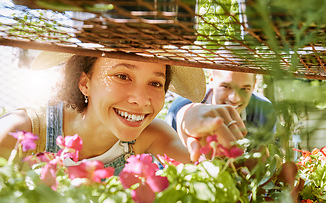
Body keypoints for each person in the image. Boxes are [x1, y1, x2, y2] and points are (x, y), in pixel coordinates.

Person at [0, 51, 246, 174]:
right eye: (122, 76)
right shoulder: (22, 132)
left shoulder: (149, 136)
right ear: (84, 82)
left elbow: (202, 161)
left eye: (155, 83)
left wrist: (188, 114)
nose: (140, 100)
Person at [165, 69, 276, 140]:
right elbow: (164, 163)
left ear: (254, 85)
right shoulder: (181, 108)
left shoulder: (265, 111)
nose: (234, 98)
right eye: (226, 87)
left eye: (244, 89)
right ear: (211, 80)